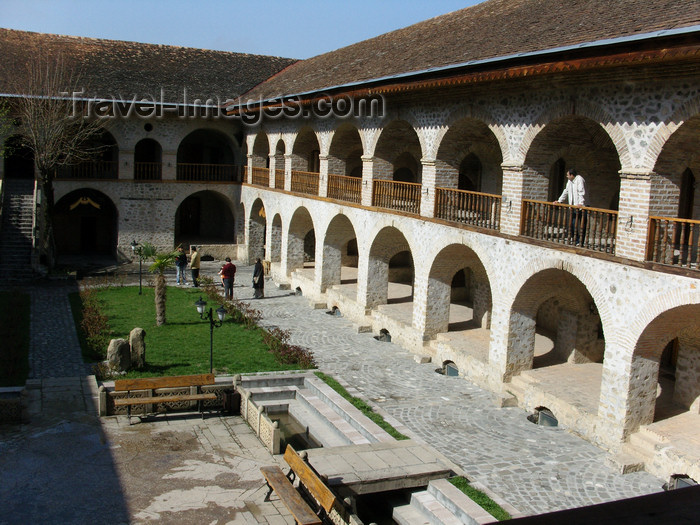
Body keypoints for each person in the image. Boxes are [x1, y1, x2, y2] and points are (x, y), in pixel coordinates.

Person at [554, 168, 588, 246]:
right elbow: (566, 191)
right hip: (574, 206)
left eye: (568, 175)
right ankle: (576, 240)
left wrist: (581, 203)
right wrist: (559, 201)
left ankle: (581, 242)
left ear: (572, 175)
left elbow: (581, 192)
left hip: (582, 206)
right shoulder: (570, 181)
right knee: (573, 223)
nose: (567, 176)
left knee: (582, 224)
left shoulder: (579, 180)